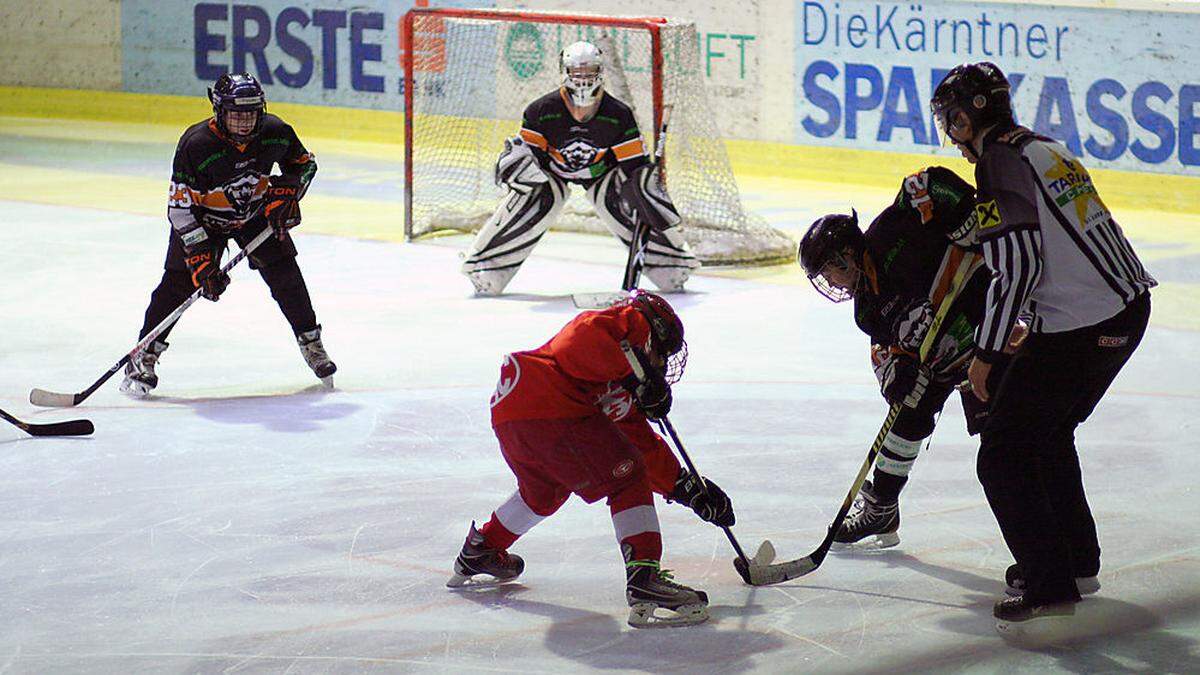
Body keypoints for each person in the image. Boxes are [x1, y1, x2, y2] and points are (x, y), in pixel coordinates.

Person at [931, 62, 1155, 631]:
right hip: (1119, 310)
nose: (950, 131)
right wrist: (1033, 322)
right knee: (1048, 432)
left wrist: (986, 354)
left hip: (1089, 322)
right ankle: (1074, 564)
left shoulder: (998, 162)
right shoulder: (1041, 147)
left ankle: (1050, 581)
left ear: (965, 117)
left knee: (1003, 453)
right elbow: (1067, 245)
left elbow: (1019, 265)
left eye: (950, 119)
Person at [447, 290, 734, 628]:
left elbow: (638, 440)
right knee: (627, 476)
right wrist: (634, 376)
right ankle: (645, 580)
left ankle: (482, 547)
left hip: (515, 411)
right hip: (548, 402)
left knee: (544, 492)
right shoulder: (629, 324)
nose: (662, 364)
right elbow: (580, 341)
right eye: (662, 352)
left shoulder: (614, 379)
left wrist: (686, 488)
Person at [798, 166, 1017, 549]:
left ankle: (1046, 550)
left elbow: (925, 183)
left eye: (829, 270)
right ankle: (881, 507)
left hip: (988, 338)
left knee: (1007, 449)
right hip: (947, 361)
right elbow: (886, 351)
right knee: (908, 412)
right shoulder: (866, 310)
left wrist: (969, 219)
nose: (830, 283)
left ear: (847, 254)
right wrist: (896, 374)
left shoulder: (890, 235)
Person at [120, 73, 336, 396]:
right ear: (219, 110)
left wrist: (290, 192)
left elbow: (305, 165)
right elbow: (180, 208)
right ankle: (143, 355)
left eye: (250, 113)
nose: (244, 122)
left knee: (285, 273)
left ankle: (311, 342)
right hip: (203, 220)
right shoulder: (196, 145)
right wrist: (201, 259)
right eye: (236, 114)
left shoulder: (275, 132)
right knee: (178, 284)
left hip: (253, 214)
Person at [460, 40, 699, 296]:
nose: (583, 78)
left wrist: (645, 188)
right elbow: (532, 160)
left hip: (601, 174)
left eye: (590, 71)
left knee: (632, 197)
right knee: (534, 197)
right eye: (577, 72)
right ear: (565, 72)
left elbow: (634, 166)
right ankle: (485, 269)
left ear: (600, 71)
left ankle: (672, 266)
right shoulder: (541, 110)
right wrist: (518, 169)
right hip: (553, 173)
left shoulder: (618, 114)